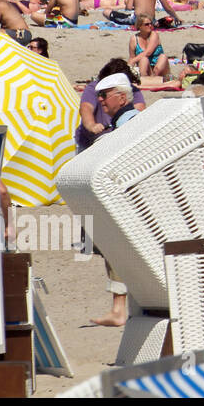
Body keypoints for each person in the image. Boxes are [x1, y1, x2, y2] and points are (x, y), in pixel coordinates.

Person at [87, 71, 143, 326]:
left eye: (104, 95)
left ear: (121, 97)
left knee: (115, 245)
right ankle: (121, 306)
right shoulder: (127, 120)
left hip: (133, 202)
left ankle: (120, 308)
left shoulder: (129, 122)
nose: (100, 100)